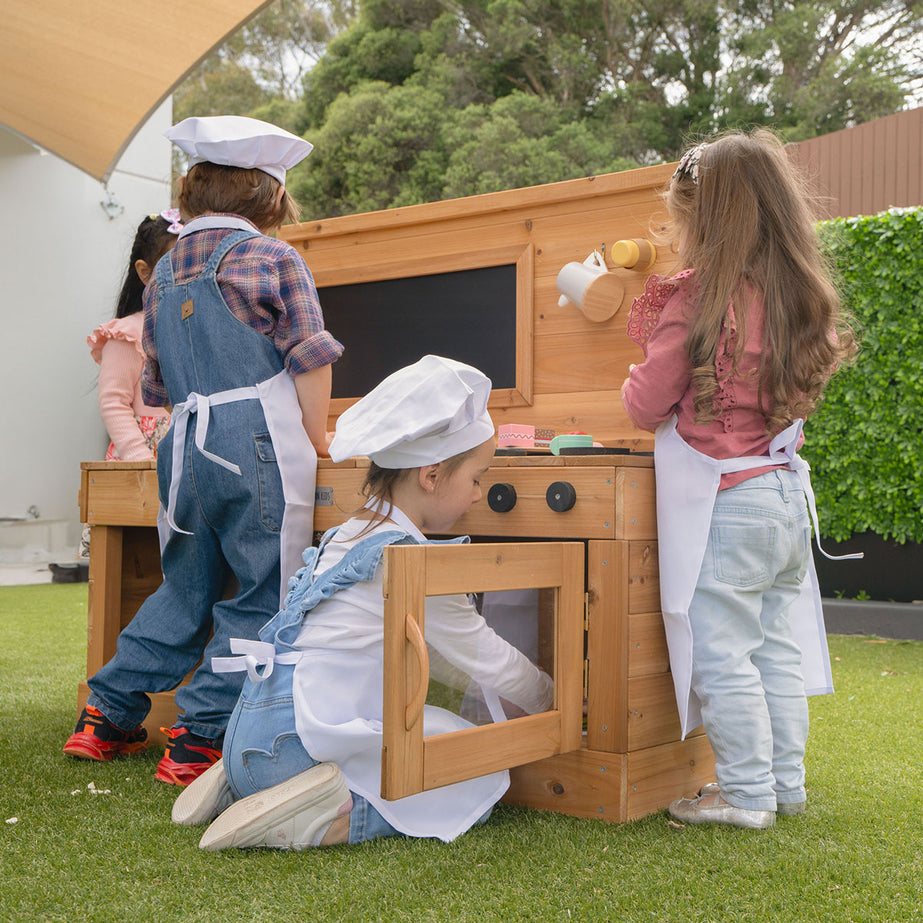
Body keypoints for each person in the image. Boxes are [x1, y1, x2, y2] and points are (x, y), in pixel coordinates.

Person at [170, 355, 554, 850]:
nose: (479, 495)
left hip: (252, 725)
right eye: (477, 478)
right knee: (477, 768)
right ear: (432, 476)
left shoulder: (343, 536)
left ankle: (242, 782)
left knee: (422, 731)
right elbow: (486, 657)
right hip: (304, 743)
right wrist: (555, 700)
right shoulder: (410, 563)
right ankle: (329, 817)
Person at [64, 116, 344, 785]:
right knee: (264, 587)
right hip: (255, 439)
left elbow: (155, 383)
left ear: (191, 192)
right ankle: (200, 735)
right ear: (271, 198)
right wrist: (318, 436)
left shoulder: (162, 276)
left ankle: (105, 712)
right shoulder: (277, 258)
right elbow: (307, 356)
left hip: (182, 444)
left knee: (183, 586)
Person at [620, 130, 859, 829]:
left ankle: (745, 793)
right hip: (784, 498)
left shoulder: (695, 300)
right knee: (775, 650)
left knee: (722, 654)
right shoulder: (793, 298)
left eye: (681, 222)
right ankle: (785, 783)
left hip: (724, 504)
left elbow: (643, 404)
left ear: (707, 223)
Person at [88, 210, 180, 461]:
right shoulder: (127, 333)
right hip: (141, 463)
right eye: (174, 265)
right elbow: (113, 402)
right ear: (144, 271)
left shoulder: (192, 327)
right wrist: (140, 458)